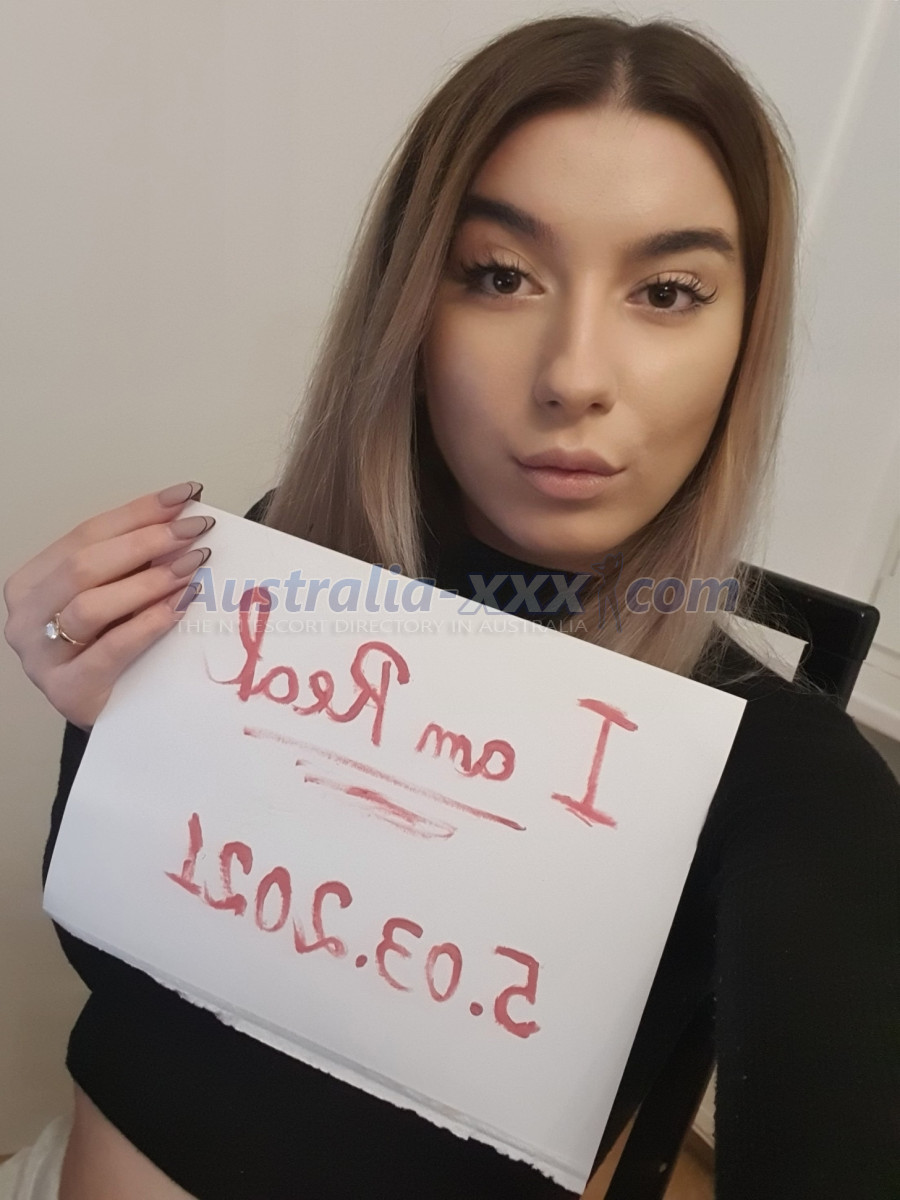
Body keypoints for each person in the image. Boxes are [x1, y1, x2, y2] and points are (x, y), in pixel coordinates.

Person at [3, 12, 898, 1200]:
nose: (574, 376)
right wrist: (111, 726)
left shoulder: (791, 783)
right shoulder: (278, 577)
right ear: (410, 307)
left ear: (745, 339)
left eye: (668, 290)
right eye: (500, 275)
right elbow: (112, 962)